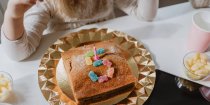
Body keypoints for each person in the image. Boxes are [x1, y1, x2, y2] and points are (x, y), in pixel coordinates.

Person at [1, 0, 158, 61]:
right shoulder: (47, 3)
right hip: (64, 62)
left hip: (106, 56)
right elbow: (19, 53)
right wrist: (13, 16)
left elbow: (145, 15)